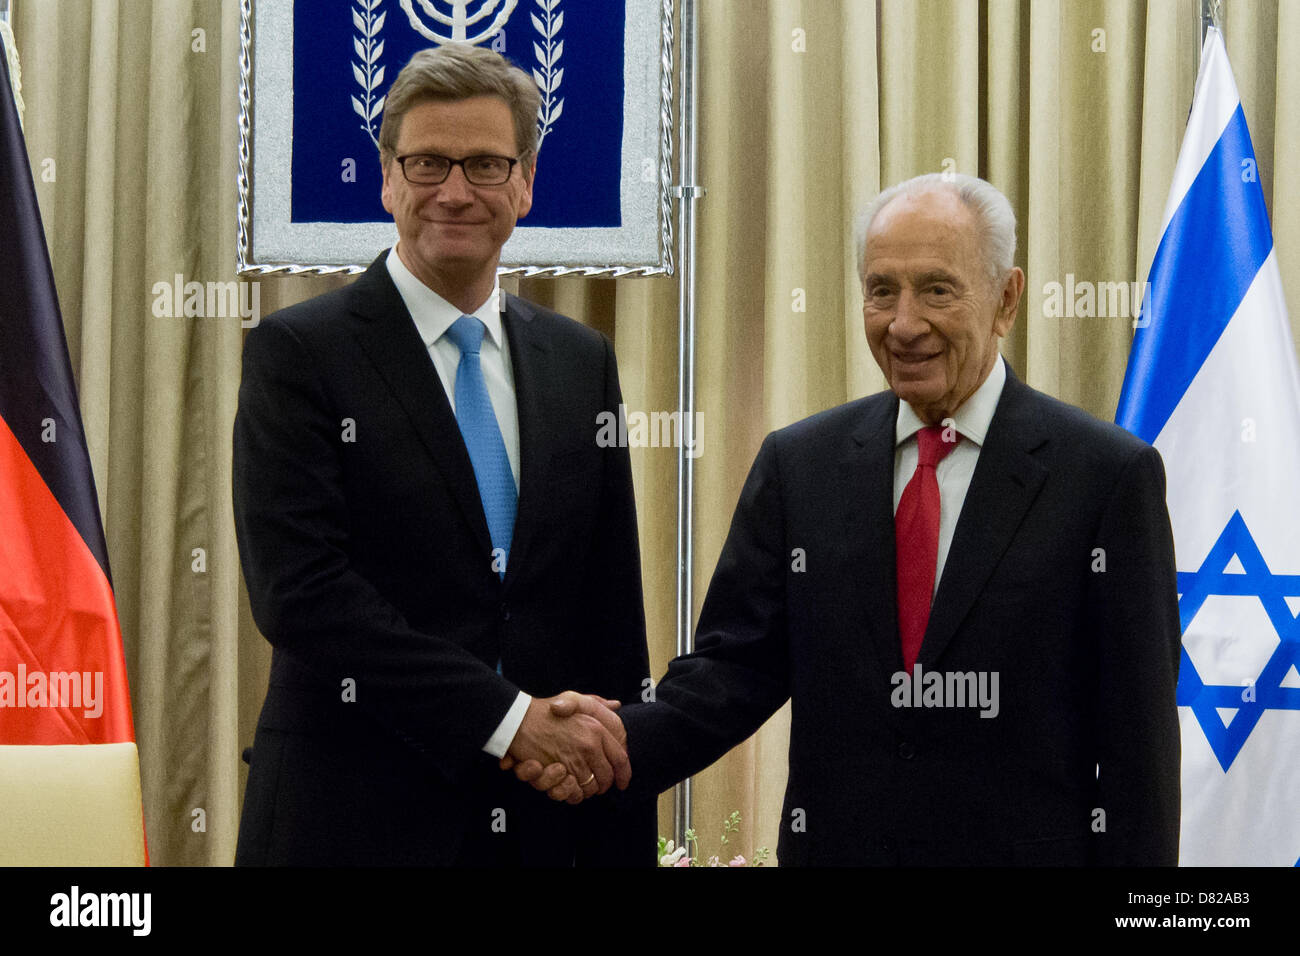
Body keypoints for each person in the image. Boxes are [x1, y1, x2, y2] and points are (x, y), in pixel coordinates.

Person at [510, 173, 1182, 865]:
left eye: (937, 289)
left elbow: (1141, 752)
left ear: (1006, 299)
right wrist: (608, 747)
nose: (904, 323)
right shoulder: (800, 466)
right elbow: (732, 673)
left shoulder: (1103, 478)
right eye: (881, 290)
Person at [233, 43, 654, 866]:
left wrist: (613, 806)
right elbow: (302, 594)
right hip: (348, 820)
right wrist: (508, 722)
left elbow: (610, 612)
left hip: (543, 822)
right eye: (427, 163)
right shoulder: (298, 353)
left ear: (525, 183)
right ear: (388, 178)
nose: (454, 191)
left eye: (486, 165)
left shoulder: (581, 361)